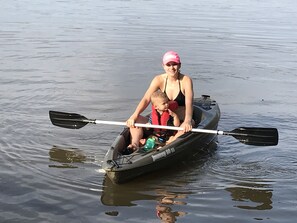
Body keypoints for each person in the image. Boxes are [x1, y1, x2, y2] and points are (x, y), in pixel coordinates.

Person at [126, 51, 194, 151]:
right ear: (163, 66)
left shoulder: (186, 80)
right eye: (168, 65)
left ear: (179, 65)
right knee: (136, 120)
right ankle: (135, 144)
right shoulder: (159, 79)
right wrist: (134, 115)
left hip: (177, 122)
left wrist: (188, 120)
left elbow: (189, 102)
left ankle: (169, 143)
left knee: (189, 124)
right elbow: (146, 99)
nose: (171, 68)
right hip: (160, 122)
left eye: (174, 64)